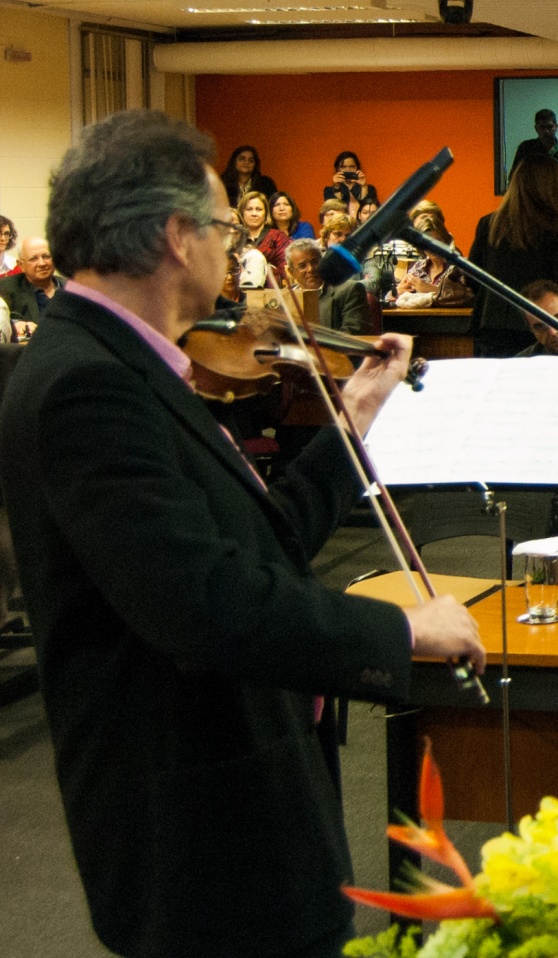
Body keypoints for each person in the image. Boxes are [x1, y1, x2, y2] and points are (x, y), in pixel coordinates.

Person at [0, 109, 484, 958]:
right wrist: (401, 629)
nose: (232, 246)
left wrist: (351, 426)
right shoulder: (87, 385)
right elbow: (206, 605)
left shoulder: (132, 364)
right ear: (178, 236)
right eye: (223, 225)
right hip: (199, 837)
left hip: (246, 812)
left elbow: (257, 552)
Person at [469, 156, 558, 357]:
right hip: (537, 327)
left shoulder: (488, 224)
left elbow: (473, 276)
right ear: (549, 189)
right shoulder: (555, 229)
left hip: (490, 323)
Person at [390, 206, 473, 309]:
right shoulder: (418, 268)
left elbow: (470, 297)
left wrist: (430, 289)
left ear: (445, 240)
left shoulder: (458, 267)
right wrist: (398, 291)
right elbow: (391, 299)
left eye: (438, 240)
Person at [284, 239, 370, 336]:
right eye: (302, 266)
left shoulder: (349, 290)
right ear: (291, 272)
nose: (310, 269)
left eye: (315, 262)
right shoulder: (284, 297)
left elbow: (352, 333)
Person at [1, 238, 65, 329]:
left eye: (46, 256)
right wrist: (15, 324)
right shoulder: (6, 287)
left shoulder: (71, 289)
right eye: (33, 259)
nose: (42, 263)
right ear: (21, 265)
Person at [236, 190, 288, 275]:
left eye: (259, 209)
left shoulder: (278, 236)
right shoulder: (236, 238)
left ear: (266, 213)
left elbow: (285, 266)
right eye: (249, 209)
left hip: (271, 286)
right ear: (242, 213)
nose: (254, 214)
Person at [321, 150, 379, 221]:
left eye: (352, 167)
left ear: (357, 168)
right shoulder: (329, 191)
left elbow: (370, 209)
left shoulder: (369, 188)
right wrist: (337, 187)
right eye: (343, 167)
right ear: (338, 169)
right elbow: (333, 211)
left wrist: (363, 186)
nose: (348, 170)